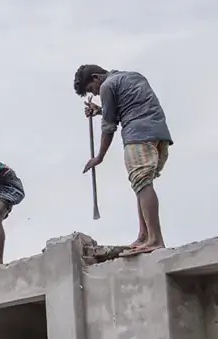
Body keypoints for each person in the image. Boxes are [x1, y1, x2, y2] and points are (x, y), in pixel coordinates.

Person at [74, 64, 173, 257]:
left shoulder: (106, 86)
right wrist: (100, 110)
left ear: (96, 78)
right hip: (159, 133)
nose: (94, 93)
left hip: (138, 134)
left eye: (90, 89)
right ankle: (144, 235)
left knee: (142, 182)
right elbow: (128, 106)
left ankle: (155, 239)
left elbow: (109, 127)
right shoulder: (131, 76)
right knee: (141, 183)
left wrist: (99, 157)